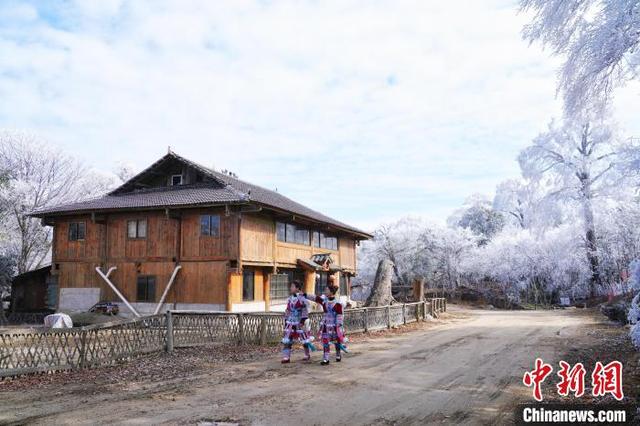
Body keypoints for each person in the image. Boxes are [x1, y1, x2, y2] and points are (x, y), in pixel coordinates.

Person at [306, 280, 347, 365]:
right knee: (325, 341)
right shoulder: (324, 301)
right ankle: (326, 358)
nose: (325, 291)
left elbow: (340, 315)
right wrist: (305, 295)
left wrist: (338, 324)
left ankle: (338, 354)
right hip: (325, 324)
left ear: (331, 292)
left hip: (335, 325)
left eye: (327, 290)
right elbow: (315, 298)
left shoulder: (338, 303)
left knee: (336, 341)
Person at [281, 280, 313, 363]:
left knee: (304, 339)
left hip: (299, 321)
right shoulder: (290, 299)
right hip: (290, 321)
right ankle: (286, 357)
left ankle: (307, 354)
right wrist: (286, 319)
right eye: (291, 286)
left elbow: (305, 310)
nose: (290, 288)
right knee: (287, 338)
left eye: (292, 286)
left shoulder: (302, 299)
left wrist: (303, 320)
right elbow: (287, 310)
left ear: (297, 288)